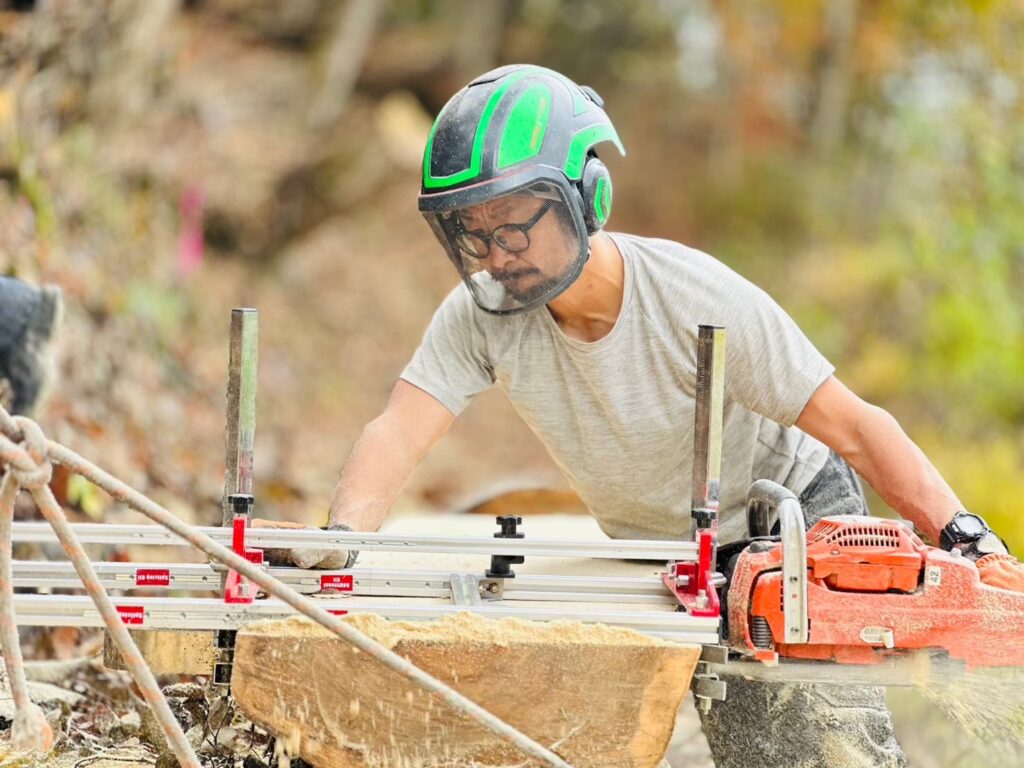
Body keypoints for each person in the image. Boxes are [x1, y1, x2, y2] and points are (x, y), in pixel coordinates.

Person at [320, 65, 1007, 767]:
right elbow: (399, 430)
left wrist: (970, 540)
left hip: (787, 518)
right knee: (748, 749)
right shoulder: (483, 316)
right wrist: (340, 542)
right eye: (475, 233)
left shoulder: (696, 298)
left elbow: (857, 428)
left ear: (586, 197)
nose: (498, 255)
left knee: (823, 748)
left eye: (516, 227)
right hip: (671, 551)